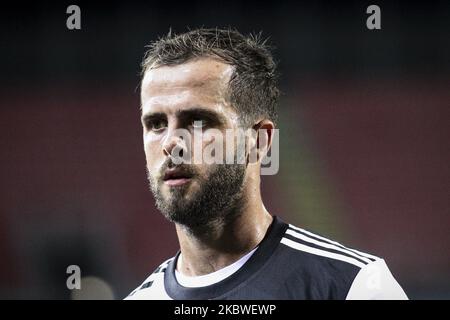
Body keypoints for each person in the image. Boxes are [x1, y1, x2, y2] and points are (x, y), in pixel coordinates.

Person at [126, 28, 407, 300]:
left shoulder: (355, 288)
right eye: (156, 124)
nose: (171, 143)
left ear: (259, 140)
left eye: (199, 122)